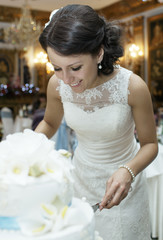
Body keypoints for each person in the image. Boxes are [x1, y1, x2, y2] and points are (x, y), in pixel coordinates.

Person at [35, 4, 158, 240]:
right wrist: (28, 148)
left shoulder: (132, 87)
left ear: (99, 53)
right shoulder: (56, 85)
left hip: (125, 186)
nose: (66, 79)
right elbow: (50, 123)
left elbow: (150, 145)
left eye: (76, 68)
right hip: (80, 182)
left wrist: (127, 171)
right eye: (56, 68)